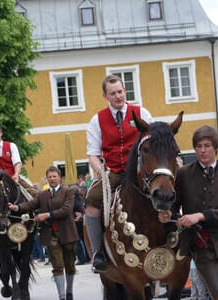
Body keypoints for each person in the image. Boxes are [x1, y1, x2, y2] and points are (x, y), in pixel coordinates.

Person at [162, 125, 218, 299]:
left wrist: (200, 216)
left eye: (207, 146)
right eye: (199, 146)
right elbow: (174, 206)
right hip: (201, 245)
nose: (203, 150)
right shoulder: (183, 174)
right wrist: (169, 214)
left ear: (215, 148)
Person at [85, 74, 153, 271]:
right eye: (113, 93)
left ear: (125, 91)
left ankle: (173, 240)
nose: (118, 96)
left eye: (120, 91)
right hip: (113, 171)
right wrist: (101, 172)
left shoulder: (141, 113)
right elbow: (93, 154)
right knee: (91, 201)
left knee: (165, 191)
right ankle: (98, 252)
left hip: (139, 171)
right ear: (105, 96)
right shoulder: (97, 120)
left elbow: (154, 141)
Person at [9, 166, 79, 300]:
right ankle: (62, 296)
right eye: (49, 177)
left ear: (59, 177)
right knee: (57, 266)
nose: (52, 179)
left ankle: (69, 291)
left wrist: (47, 215)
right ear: (47, 179)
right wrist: (16, 207)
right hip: (51, 234)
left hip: (67, 233)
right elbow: (30, 205)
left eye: (54, 176)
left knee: (70, 265)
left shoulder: (67, 192)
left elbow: (66, 210)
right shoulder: (43, 194)